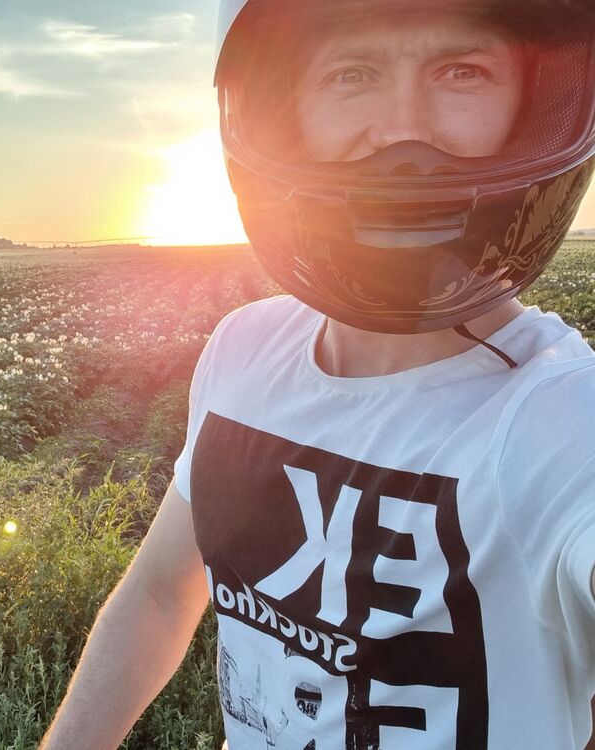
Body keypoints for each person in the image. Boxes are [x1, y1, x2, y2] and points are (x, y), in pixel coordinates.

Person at [41, 0, 595, 747]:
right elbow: (162, 593)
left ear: (538, 102)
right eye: (352, 74)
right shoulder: (244, 350)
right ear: (284, 115)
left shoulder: (562, 418)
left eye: (462, 71)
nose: (404, 132)